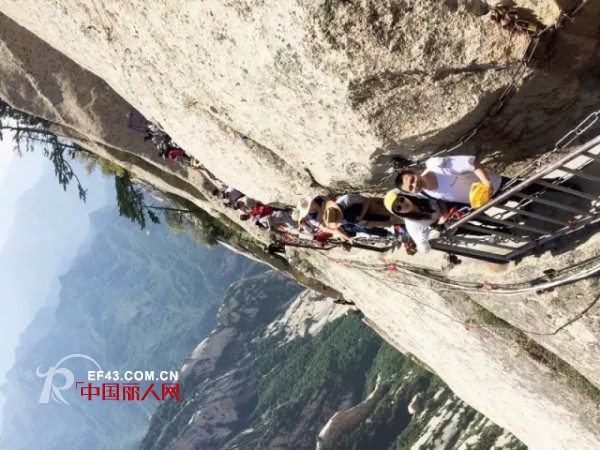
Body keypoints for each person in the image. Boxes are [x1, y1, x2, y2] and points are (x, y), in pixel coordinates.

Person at [396, 155, 502, 206]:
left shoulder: (439, 166)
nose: (415, 184)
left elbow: (473, 164)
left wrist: (487, 184)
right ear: (411, 193)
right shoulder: (425, 193)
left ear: (415, 173)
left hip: (499, 186)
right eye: (411, 187)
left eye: (412, 179)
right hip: (486, 202)